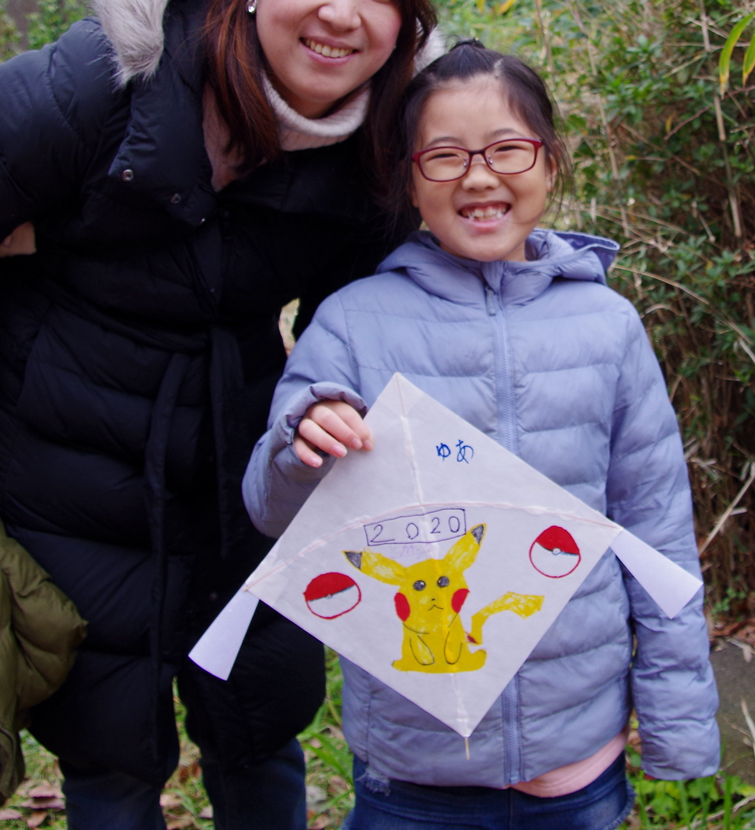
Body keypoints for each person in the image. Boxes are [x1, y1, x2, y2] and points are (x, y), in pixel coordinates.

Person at [0, 0, 442, 830]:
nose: (343, 12)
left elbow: (356, 321)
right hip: (55, 455)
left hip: (241, 459)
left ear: (406, 22)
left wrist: (336, 433)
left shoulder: (381, 146)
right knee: (108, 748)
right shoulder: (90, 87)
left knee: (258, 722)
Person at [242, 42, 720, 830]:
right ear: (407, 177)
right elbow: (269, 509)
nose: (479, 176)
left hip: (579, 767)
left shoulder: (609, 328)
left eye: (507, 149)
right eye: (445, 156)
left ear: (551, 162)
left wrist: (677, 725)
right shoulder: (355, 322)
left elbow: (657, 534)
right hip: (413, 771)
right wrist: (301, 444)